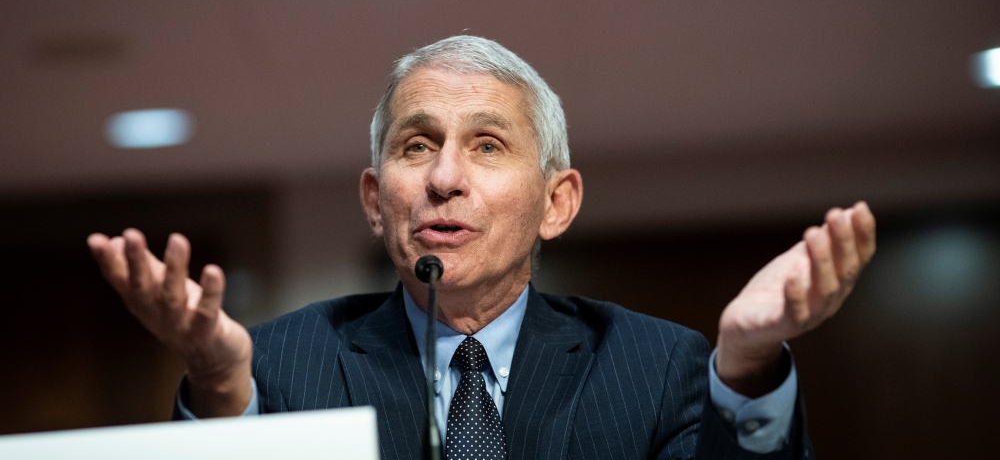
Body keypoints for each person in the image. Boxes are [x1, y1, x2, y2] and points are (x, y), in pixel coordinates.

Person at [87, 36, 876, 459]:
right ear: (375, 200)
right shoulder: (280, 367)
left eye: (488, 146)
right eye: (417, 146)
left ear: (556, 204)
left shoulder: (656, 367)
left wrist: (744, 369)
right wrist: (220, 384)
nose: (445, 178)